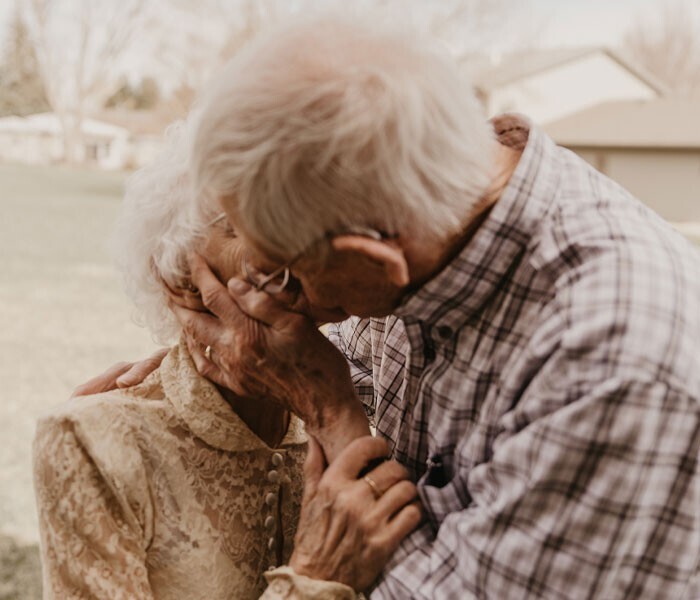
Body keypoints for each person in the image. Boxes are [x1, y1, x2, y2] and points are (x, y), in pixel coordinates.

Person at [82, 14, 700, 599]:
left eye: (280, 278)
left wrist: (332, 416)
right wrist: (208, 363)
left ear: (374, 259)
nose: (271, 300)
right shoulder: (447, 210)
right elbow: (347, 358)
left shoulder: (611, 358)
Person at [33, 115, 407, 599]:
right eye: (239, 224)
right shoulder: (93, 443)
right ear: (179, 279)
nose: (284, 246)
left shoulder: (349, 417)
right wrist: (313, 580)